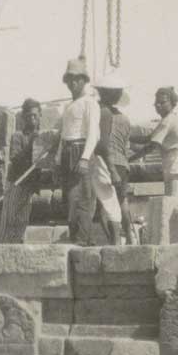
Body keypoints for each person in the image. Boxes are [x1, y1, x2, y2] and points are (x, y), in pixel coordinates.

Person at [58, 58, 101, 241]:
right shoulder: (69, 106)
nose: (73, 83)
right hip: (68, 151)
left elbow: (93, 133)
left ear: (84, 80)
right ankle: (75, 239)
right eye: (69, 79)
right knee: (71, 199)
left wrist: (84, 158)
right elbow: (64, 134)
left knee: (84, 198)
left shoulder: (90, 102)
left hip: (81, 150)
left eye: (77, 79)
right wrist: (59, 156)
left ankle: (84, 240)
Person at [130, 86, 178, 197]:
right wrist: (127, 136)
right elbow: (148, 138)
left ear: (172, 103)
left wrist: (130, 159)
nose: (158, 105)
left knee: (174, 203)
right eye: (156, 102)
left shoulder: (168, 121)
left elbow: (151, 146)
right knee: (173, 202)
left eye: (162, 102)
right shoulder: (169, 119)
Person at [94, 72, 133, 245]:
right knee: (122, 201)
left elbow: (100, 144)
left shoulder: (99, 113)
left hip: (105, 162)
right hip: (122, 164)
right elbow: (126, 145)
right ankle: (130, 238)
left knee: (104, 204)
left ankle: (113, 240)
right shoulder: (125, 119)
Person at [0, 98, 42, 242]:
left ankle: (16, 249)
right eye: (29, 115)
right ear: (24, 117)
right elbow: (15, 159)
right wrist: (32, 144)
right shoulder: (18, 136)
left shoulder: (43, 136)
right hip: (15, 183)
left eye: (35, 115)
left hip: (29, 185)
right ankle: (2, 249)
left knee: (23, 221)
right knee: (9, 219)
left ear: (40, 115)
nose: (32, 119)